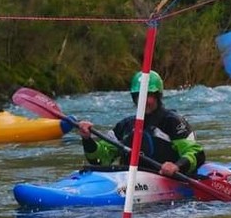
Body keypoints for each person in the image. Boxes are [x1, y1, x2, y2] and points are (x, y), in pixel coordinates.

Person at [75, 70, 205, 178]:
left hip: (166, 179)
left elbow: (197, 154)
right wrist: (87, 139)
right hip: (129, 181)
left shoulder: (173, 122)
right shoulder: (125, 126)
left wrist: (177, 166)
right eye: (138, 96)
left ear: (157, 96)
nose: (142, 100)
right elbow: (100, 160)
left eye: (148, 95)